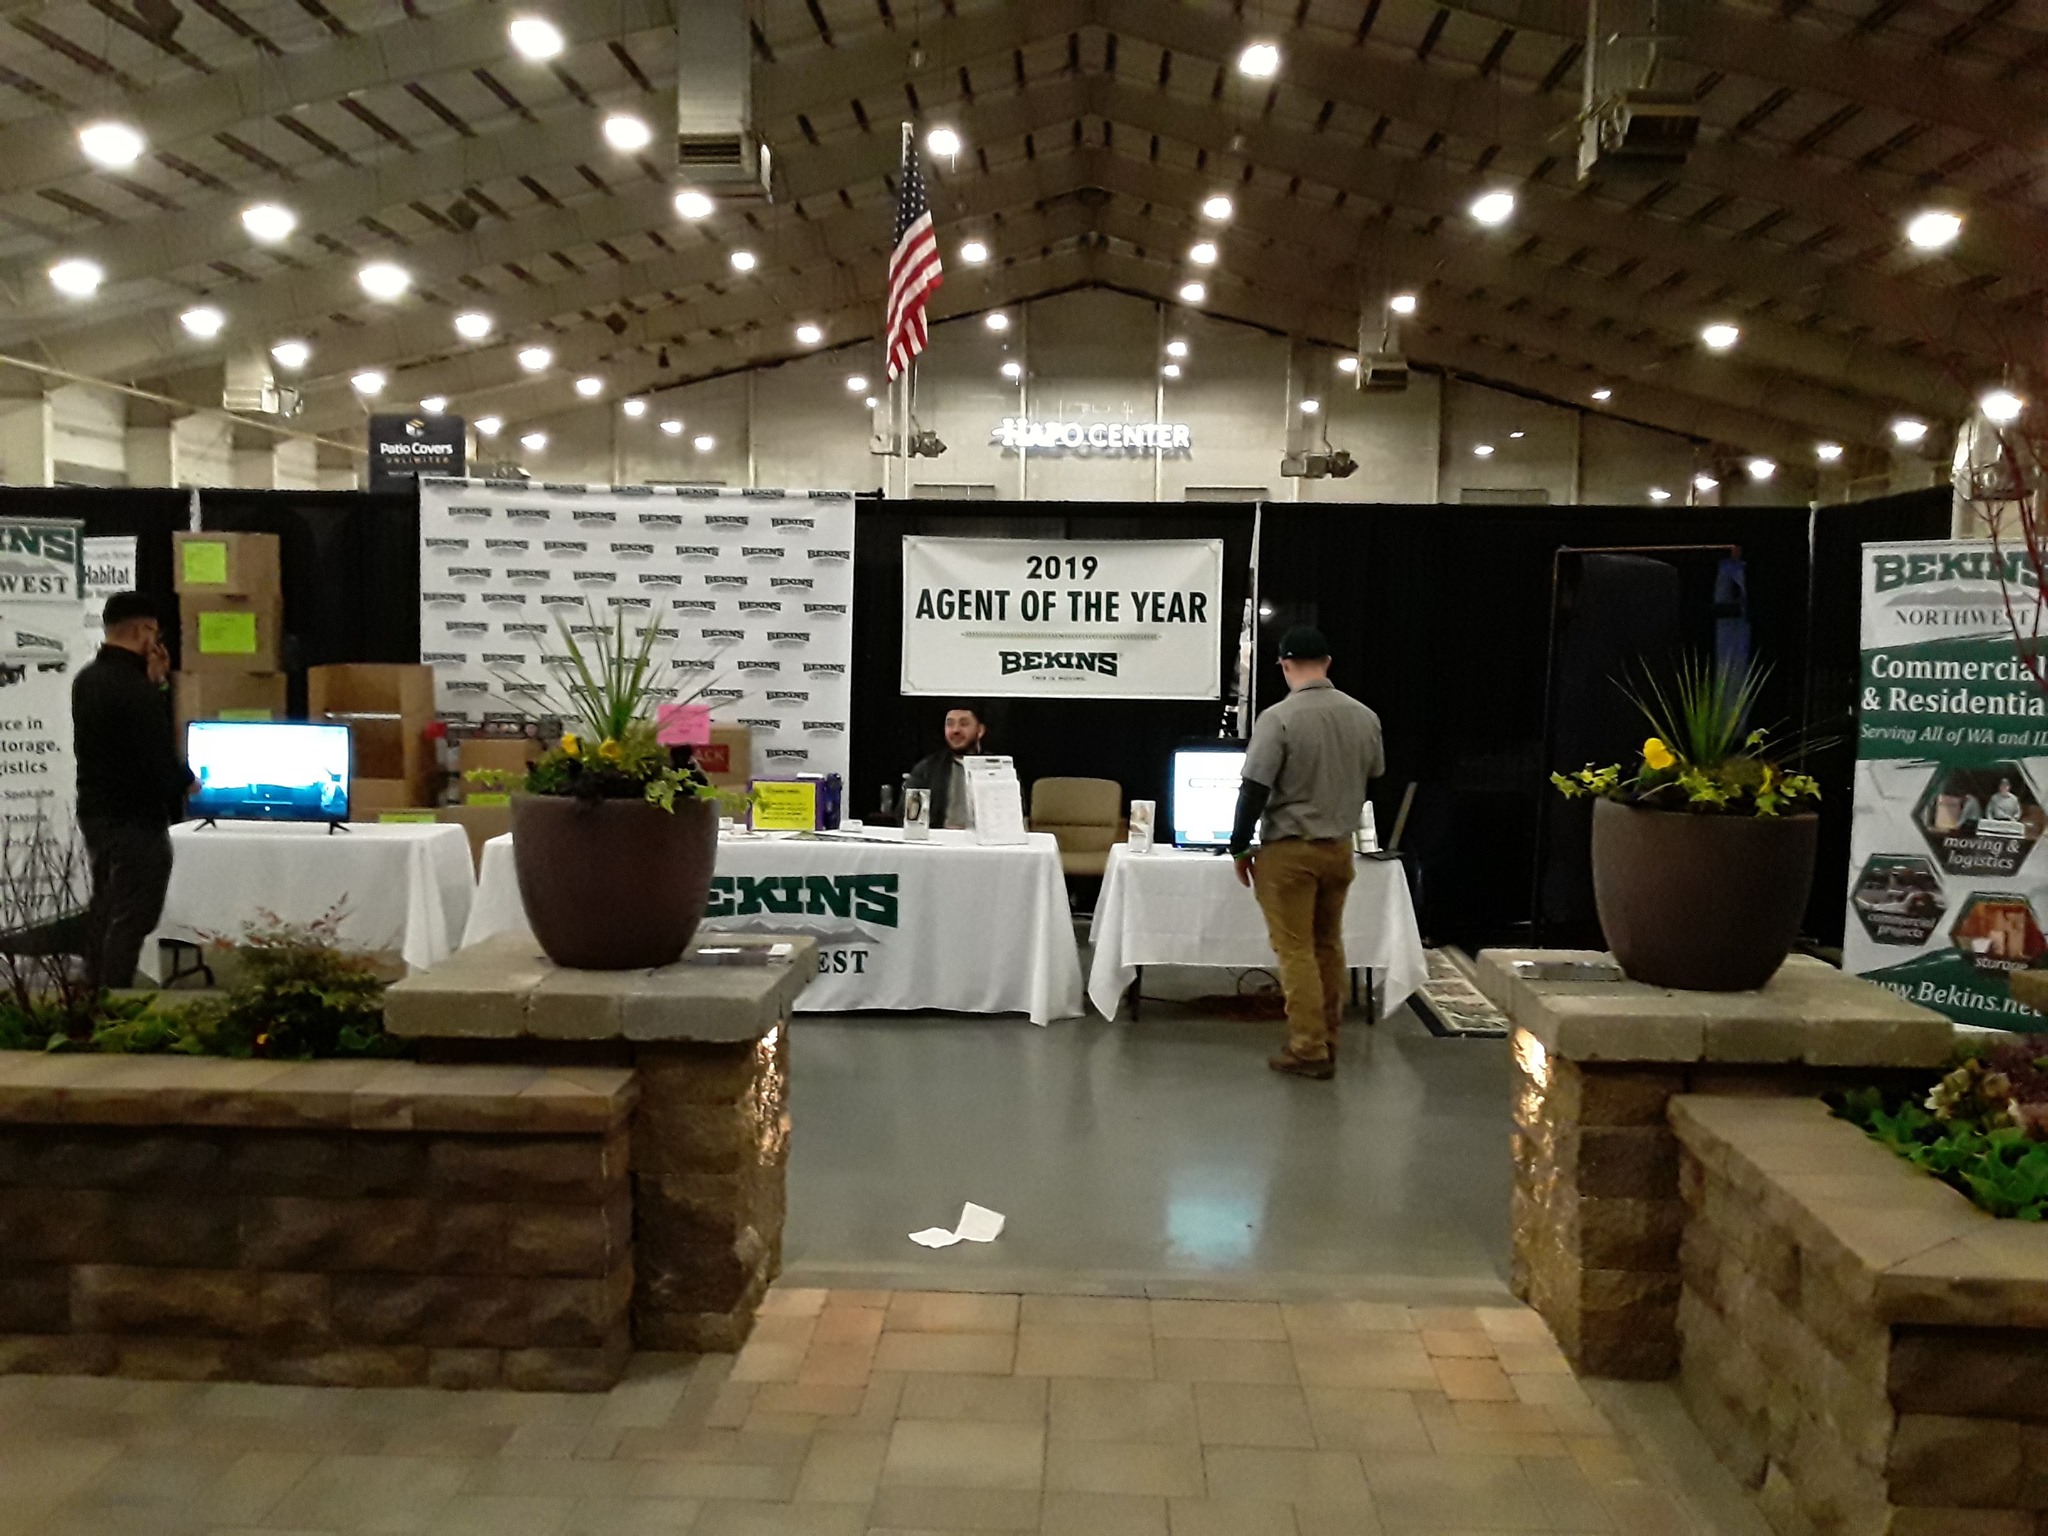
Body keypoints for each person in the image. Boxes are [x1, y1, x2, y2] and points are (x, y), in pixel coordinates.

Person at [1228, 627, 1385, 1080]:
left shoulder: (1278, 718)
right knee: (1328, 944)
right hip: (1339, 849)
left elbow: (1254, 788)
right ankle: (1329, 1038)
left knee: (1295, 951)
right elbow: (1376, 771)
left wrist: (1240, 846)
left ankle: (1307, 1048)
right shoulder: (1365, 716)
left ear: (1284, 665)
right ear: (1328, 663)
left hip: (1289, 852)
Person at [72, 592, 191, 989]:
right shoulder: (134, 690)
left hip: (96, 812)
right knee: (134, 913)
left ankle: (92, 992)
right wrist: (186, 782)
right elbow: (154, 756)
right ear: (144, 631)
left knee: (106, 908)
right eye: (155, 634)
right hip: (135, 820)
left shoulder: (87, 679)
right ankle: (112, 996)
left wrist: (154, 683)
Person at [905, 703, 986, 831]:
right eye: (950, 724)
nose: (955, 730)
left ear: (980, 731)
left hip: (984, 841)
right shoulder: (927, 768)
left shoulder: (998, 768)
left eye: (964, 724)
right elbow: (908, 817)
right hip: (939, 840)